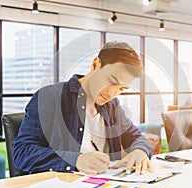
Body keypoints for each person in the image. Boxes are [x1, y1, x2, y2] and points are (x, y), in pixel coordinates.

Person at [13, 41, 154, 176]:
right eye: (111, 81)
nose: (112, 94)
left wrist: (140, 150)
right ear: (95, 64)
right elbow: (22, 152)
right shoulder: (49, 97)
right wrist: (75, 160)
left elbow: (137, 138)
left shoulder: (113, 106)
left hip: (105, 187)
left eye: (121, 89)